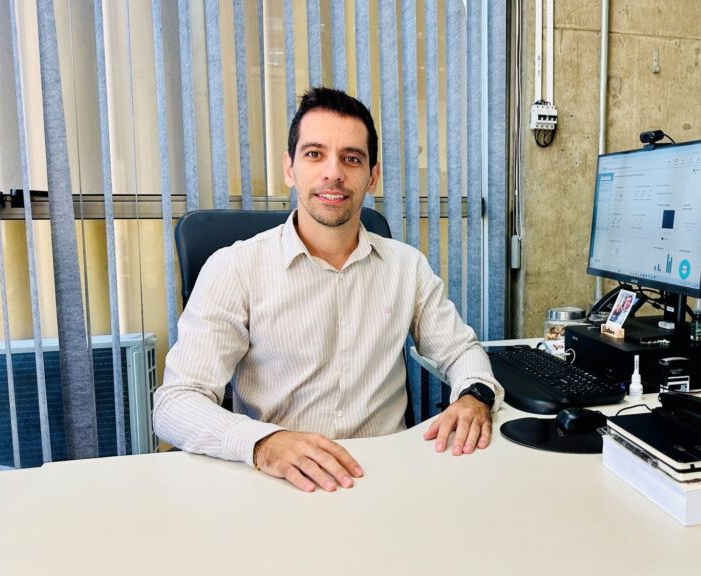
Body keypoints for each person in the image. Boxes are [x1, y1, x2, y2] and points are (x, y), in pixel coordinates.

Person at [153, 87, 503, 493]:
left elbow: (460, 352)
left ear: (372, 176)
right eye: (314, 154)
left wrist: (474, 395)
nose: (333, 172)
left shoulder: (407, 266)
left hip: (386, 480)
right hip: (278, 483)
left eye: (351, 158)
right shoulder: (235, 268)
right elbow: (177, 401)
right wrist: (263, 444)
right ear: (290, 168)